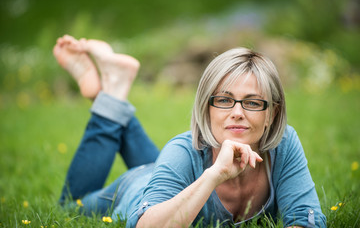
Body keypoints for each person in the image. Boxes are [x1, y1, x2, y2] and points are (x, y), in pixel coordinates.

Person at [53, 35, 326, 228]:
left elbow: (306, 217)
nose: (238, 112)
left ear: (272, 113)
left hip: (172, 174)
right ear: (206, 107)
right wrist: (214, 176)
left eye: (253, 102)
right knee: (69, 207)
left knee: (164, 165)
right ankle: (111, 96)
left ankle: (114, 90)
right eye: (223, 99)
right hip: (140, 187)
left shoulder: (284, 144)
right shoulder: (183, 149)